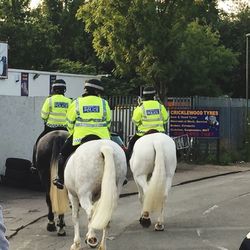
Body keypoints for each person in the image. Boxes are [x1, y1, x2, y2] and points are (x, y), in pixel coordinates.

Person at [53, 78, 111, 189]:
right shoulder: (104, 103)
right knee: (114, 154)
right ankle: (120, 177)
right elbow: (108, 122)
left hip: (79, 138)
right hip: (102, 138)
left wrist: (72, 132)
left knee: (63, 154)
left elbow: (69, 122)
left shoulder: (77, 102)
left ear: (86, 90)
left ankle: (60, 179)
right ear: (97, 91)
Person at [31, 79, 72, 169]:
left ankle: (34, 164)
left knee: (37, 143)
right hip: (65, 129)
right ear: (64, 89)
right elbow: (71, 117)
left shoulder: (49, 100)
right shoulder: (69, 101)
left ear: (53, 89)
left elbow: (43, 116)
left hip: (50, 128)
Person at [126, 86, 169, 162]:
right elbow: (166, 119)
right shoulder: (160, 106)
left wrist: (140, 124)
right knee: (171, 144)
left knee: (131, 143)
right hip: (159, 133)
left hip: (142, 133)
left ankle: (127, 160)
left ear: (144, 96)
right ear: (154, 96)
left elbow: (135, 120)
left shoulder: (140, 107)